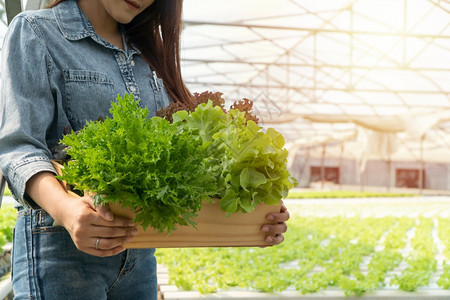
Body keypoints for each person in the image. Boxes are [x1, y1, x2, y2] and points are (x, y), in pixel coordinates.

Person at [0, 0, 290, 299]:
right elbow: (19, 148)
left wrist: (255, 211)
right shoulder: (36, 31)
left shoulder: (147, 52)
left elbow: (182, 162)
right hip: (61, 251)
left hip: (138, 257)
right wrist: (67, 210)